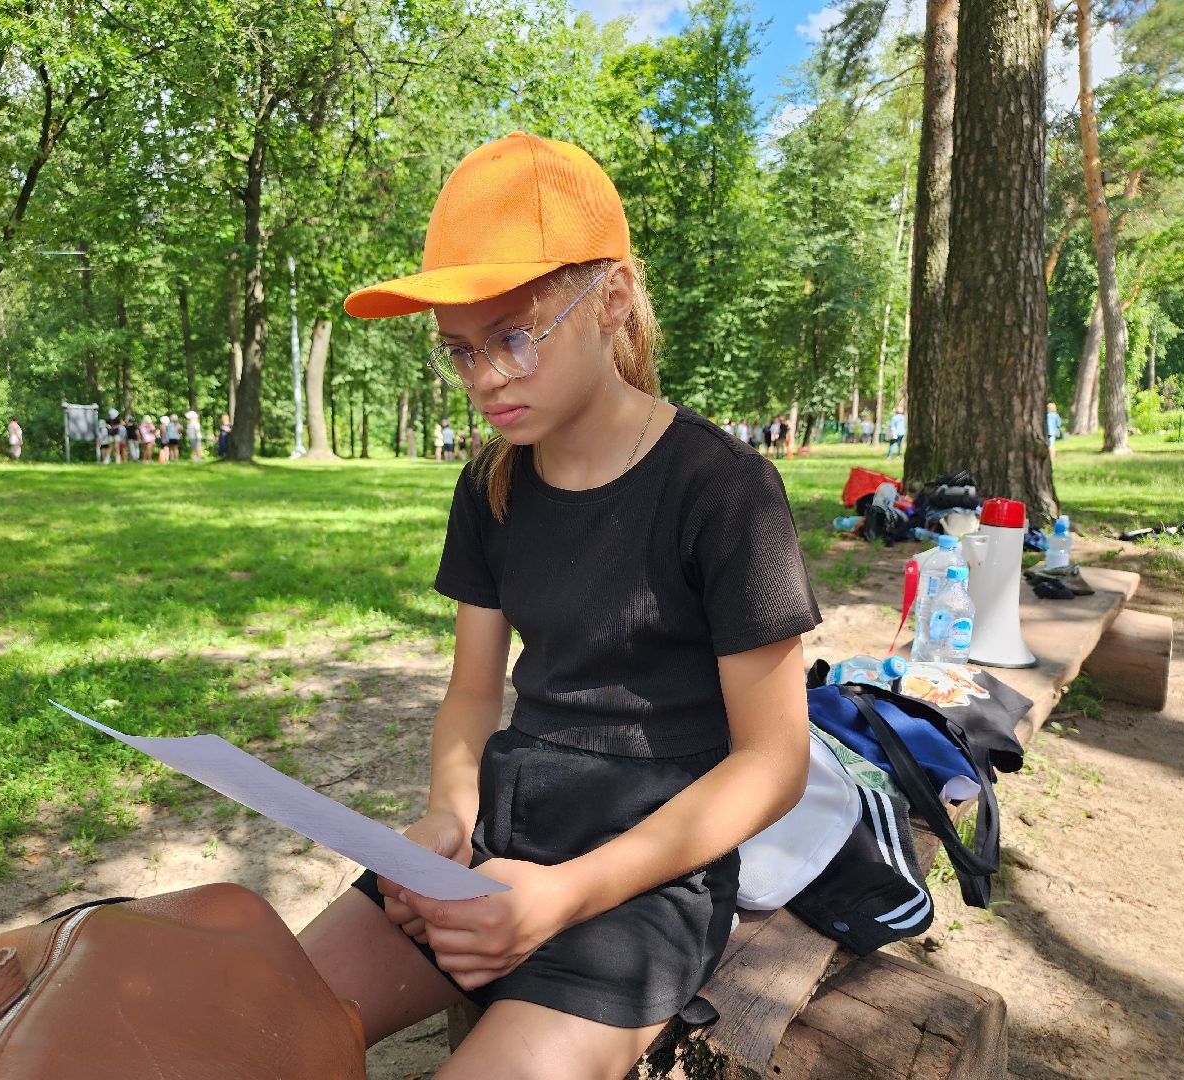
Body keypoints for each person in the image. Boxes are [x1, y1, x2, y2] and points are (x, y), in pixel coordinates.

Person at [298, 132, 819, 1079]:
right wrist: (446, 825)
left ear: (612, 297)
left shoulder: (723, 488)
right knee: (258, 1018)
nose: (485, 379)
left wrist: (562, 898)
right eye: (458, 350)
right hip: (499, 840)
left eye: (514, 336)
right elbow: (469, 694)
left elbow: (775, 761)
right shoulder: (490, 485)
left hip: (643, 885)